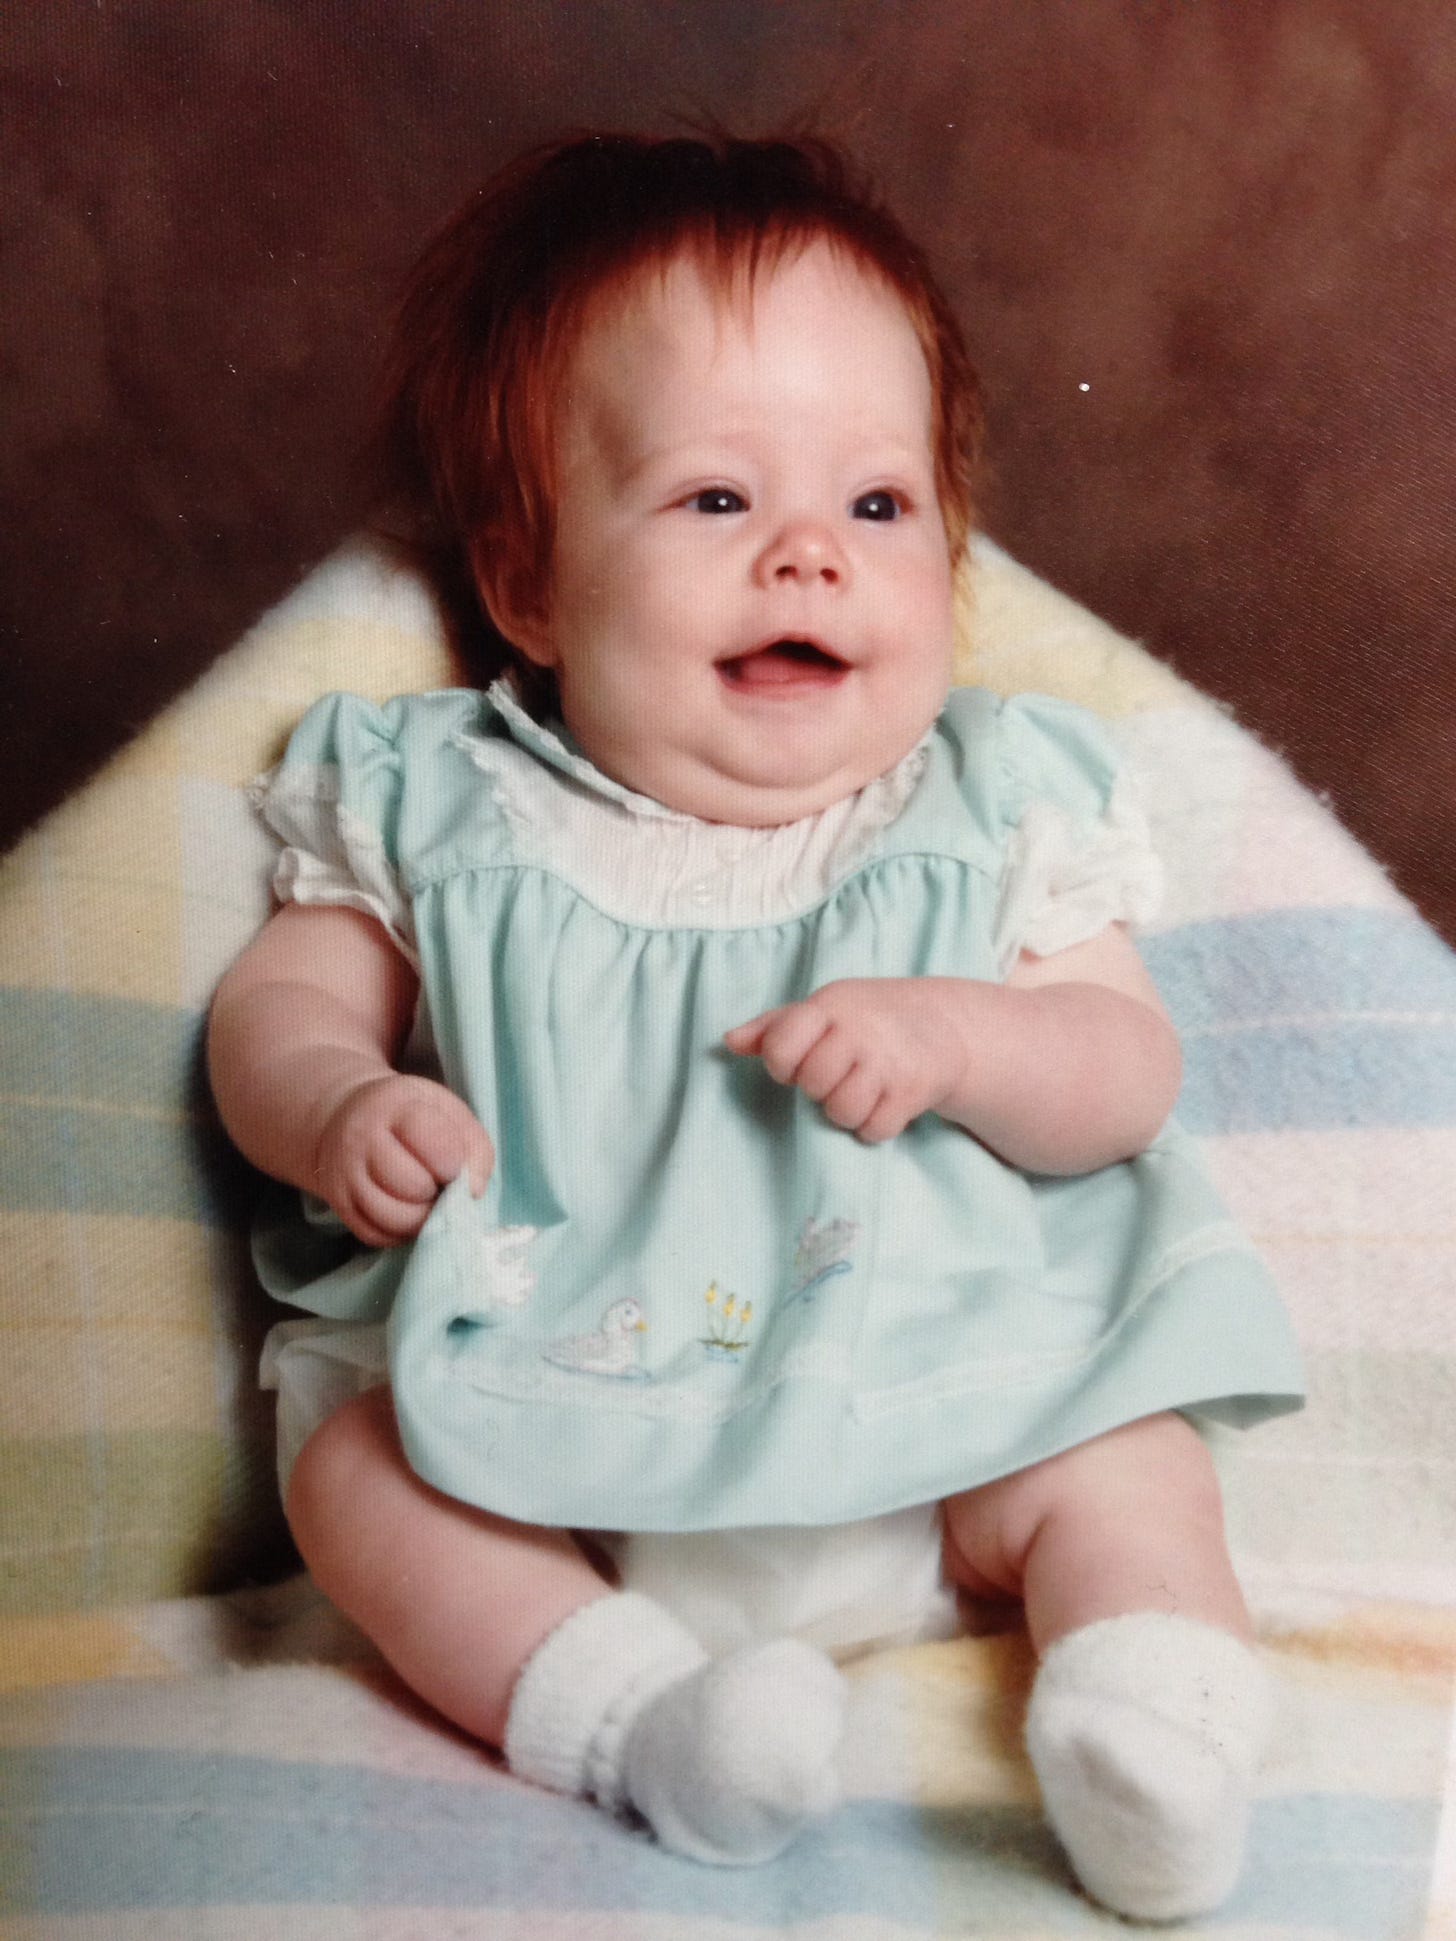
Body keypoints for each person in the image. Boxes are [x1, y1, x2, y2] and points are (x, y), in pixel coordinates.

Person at [207, 131, 1303, 1920]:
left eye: (876, 508)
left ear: (946, 557)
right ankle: (643, 1722)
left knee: (1133, 1451)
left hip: (955, 1402)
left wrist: (963, 1039)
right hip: (561, 1414)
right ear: (529, 585)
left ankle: (1150, 1713)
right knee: (352, 1460)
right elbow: (282, 1007)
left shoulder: (992, 802)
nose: (807, 557)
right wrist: (330, 1101)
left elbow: (1125, 1079)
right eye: (716, 501)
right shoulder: (436, 802)